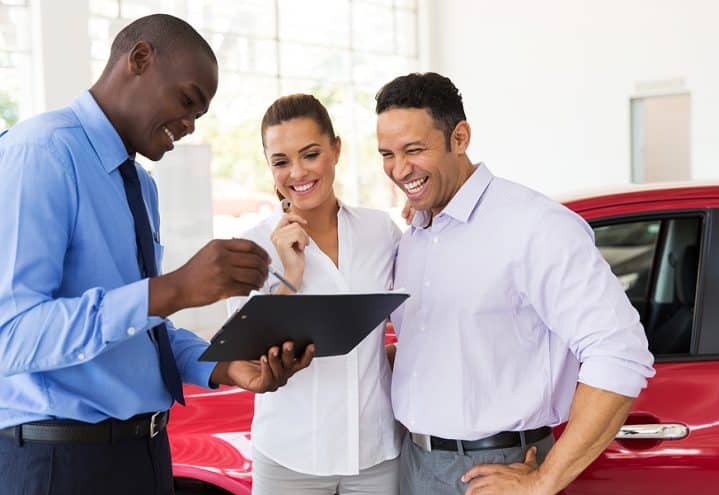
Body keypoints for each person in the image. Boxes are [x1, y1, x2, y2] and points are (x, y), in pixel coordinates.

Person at [0, 14, 312, 495]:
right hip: (60, 462)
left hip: (144, 454)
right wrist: (175, 289)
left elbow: (142, 327)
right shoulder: (41, 153)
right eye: (187, 101)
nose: (188, 125)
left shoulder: (140, 185)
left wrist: (224, 366)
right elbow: (11, 336)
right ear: (140, 59)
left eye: (199, 115)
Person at [375, 72, 656, 495]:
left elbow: (620, 352)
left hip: (495, 470)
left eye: (414, 150)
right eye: (387, 154)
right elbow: (445, 344)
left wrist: (545, 480)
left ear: (460, 137)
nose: (399, 169)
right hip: (414, 464)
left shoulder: (534, 225)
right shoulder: (416, 233)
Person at [227, 94, 402, 495]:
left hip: (375, 453)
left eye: (310, 154)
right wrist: (291, 275)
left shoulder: (381, 232)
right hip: (291, 456)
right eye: (281, 161)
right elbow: (246, 354)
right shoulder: (249, 248)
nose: (298, 172)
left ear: (335, 150)